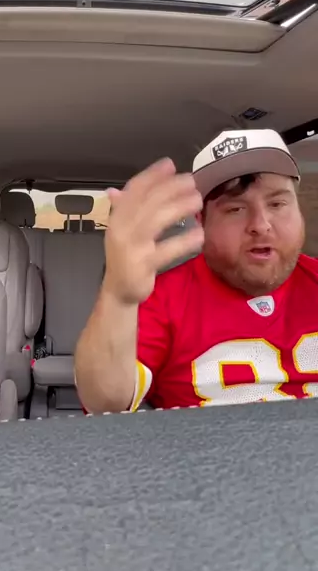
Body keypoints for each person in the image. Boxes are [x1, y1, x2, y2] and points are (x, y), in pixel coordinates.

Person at [75, 128, 318, 414]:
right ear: (201, 219)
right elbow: (105, 403)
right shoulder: (163, 298)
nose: (261, 224)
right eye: (235, 209)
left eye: (277, 204)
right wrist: (118, 296)